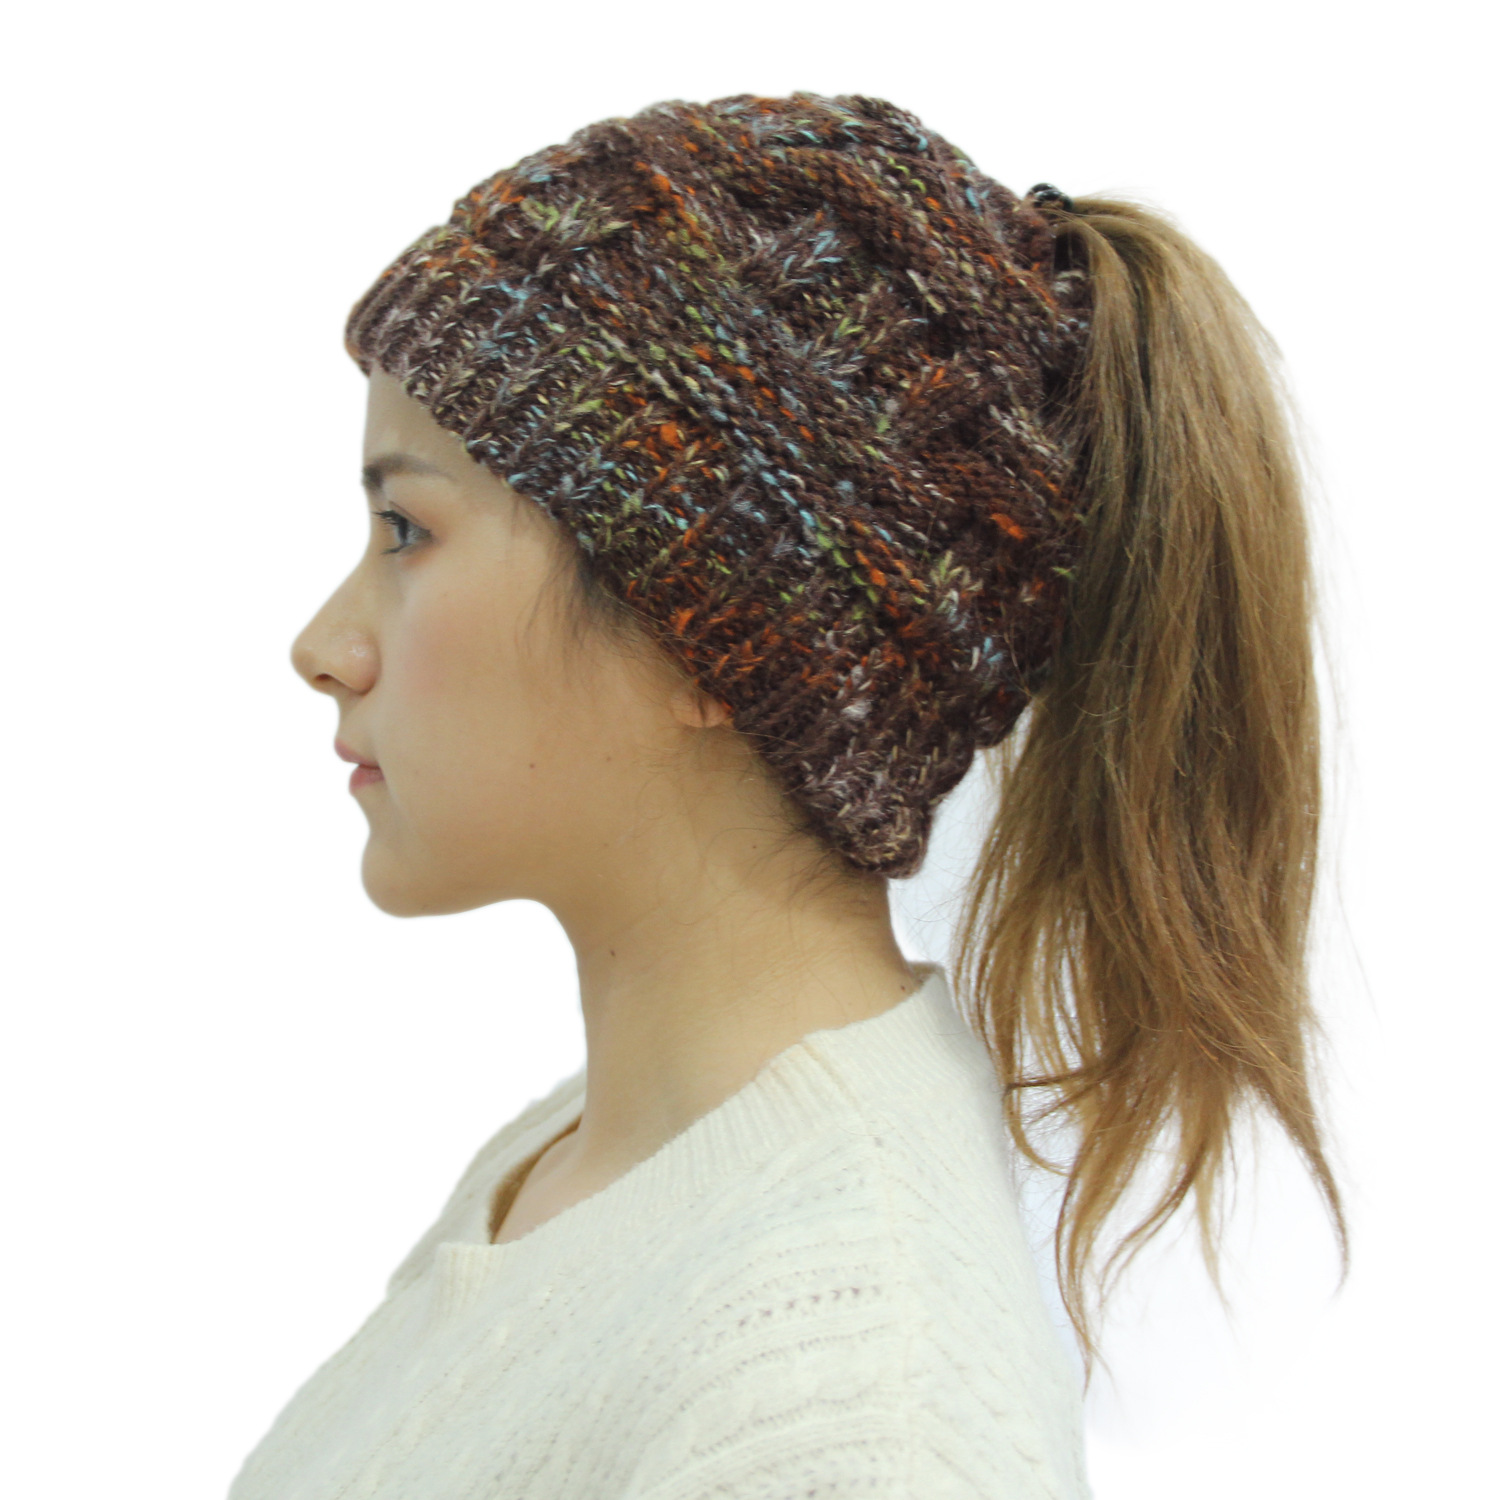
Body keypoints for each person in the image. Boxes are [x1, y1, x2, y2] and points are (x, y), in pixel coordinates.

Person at [232, 90, 1346, 1499]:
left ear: (712, 631)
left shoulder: (842, 1405)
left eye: (408, 530)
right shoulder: (602, 1165)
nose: (323, 646)